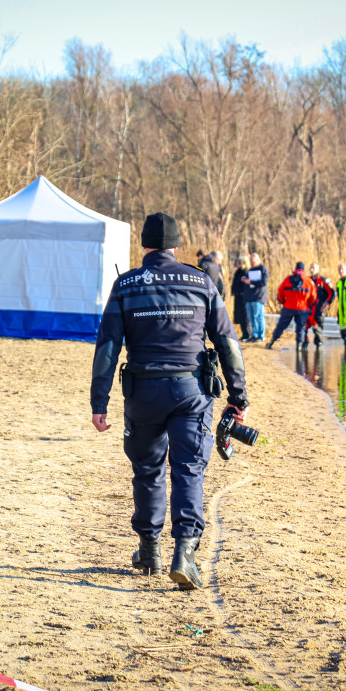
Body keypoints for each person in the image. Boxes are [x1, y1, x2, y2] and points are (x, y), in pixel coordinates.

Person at [90, 212, 249, 591]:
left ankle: (150, 550)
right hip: (190, 392)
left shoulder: (126, 284)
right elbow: (227, 342)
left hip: (143, 392)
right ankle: (185, 553)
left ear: (144, 244)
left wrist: (99, 402)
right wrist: (238, 396)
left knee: (147, 469)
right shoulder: (201, 281)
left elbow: (108, 346)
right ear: (176, 244)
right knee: (189, 469)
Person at [266, 261, 316, 349]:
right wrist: (308, 305)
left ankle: (271, 342)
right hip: (302, 308)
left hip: (288, 307)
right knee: (301, 327)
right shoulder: (308, 281)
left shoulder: (287, 279)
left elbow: (280, 293)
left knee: (281, 326)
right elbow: (313, 297)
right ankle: (299, 347)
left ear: (295, 269)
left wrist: (284, 302)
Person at [240, 252, 269, 342]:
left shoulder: (263, 269)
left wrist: (251, 282)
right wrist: (245, 279)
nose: (251, 263)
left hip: (258, 297)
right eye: (250, 261)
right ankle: (254, 334)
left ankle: (261, 335)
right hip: (249, 297)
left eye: (253, 261)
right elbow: (248, 282)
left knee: (259, 316)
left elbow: (264, 282)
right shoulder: (250, 269)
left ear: (258, 260)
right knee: (252, 317)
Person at [306, 263, 336, 347]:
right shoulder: (308, 280)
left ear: (317, 269)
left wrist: (327, 303)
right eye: (310, 268)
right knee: (303, 328)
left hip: (320, 309)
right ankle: (304, 346)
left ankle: (319, 350)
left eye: (313, 268)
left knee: (318, 330)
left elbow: (332, 293)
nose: (311, 270)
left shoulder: (323, 280)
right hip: (309, 309)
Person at [230, 256, 251, 341]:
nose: (236, 264)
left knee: (245, 316)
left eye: (238, 262)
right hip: (238, 296)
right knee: (240, 316)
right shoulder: (238, 272)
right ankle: (244, 334)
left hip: (243, 297)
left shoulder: (245, 272)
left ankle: (248, 334)